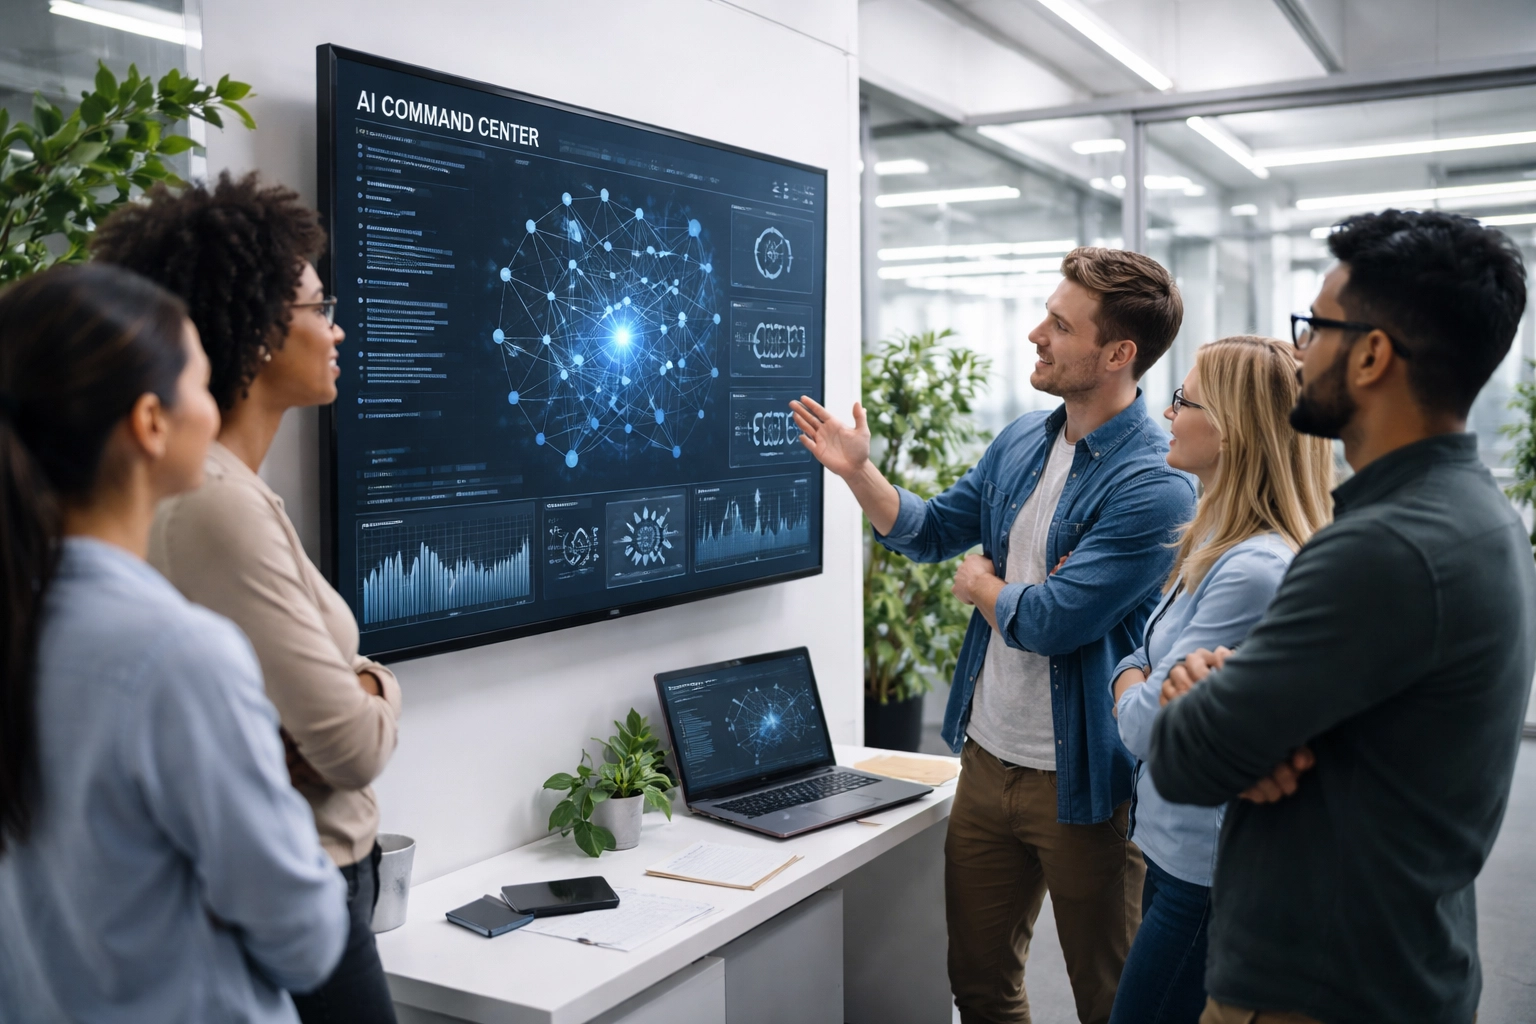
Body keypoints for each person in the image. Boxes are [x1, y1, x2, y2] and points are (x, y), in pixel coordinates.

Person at [1149, 209, 1536, 1024]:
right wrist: (1234, 722)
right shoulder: (1478, 515)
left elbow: (1183, 758)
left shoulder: (1382, 550)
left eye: (1315, 326)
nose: (1298, 353)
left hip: (1316, 989)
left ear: (1371, 355)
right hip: (1396, 964)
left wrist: (1194, 693)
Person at [792, 247, 1195, 1024]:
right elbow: (933, 529)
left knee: (1114, 1005)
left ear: (1118, 354)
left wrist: (986, 586)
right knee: (979, 988)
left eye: (1060, 324)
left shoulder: (1156, 483)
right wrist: (857, 473)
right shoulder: (1022, 440)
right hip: (983, 761)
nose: (1036, 335)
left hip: (1084, 782)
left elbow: (1050, 622)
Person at [92, 174, 404, 1023]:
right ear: (260, 331)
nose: (337, 328)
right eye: (317, 305)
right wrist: (374, 689)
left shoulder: (220, 494)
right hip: (305, 891)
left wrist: (357, 683)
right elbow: (349, 749)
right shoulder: (218, 507)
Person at [0, 264, 347, 1021]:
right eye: (199, 380)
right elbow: (308, 937)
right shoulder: (180, 656)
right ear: (151, 422)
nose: (216, 407)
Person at [1105, 336, 1334, 1024]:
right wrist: (1136, 676)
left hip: (1204, 874)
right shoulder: (1217, 542)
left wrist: (1131, 682)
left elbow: (1149, 727)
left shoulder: (1252, 569)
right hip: (1176, 854)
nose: (1168, 413)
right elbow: (1140, 665)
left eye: (1184, 400)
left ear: (1232, 432)